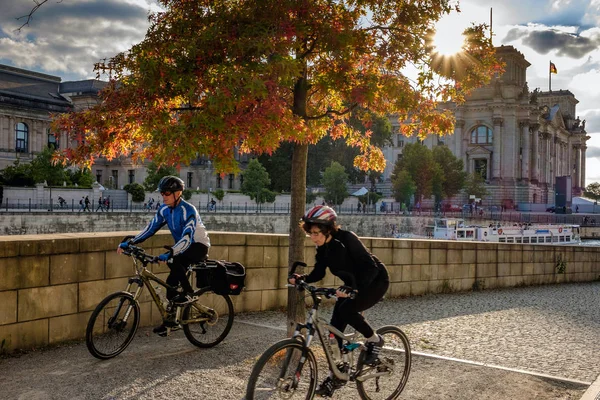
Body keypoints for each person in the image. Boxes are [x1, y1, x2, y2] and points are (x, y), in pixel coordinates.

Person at [289, 205, 390, 397]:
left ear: (328, 229)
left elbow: (370, 268)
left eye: (317, 233)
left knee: (347, 311)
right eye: (310, 233)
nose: (313, 237)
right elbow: (319, 272)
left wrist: (354, 288)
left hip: (375, 281)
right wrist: (302, 278)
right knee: (333, 334)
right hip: (352, 285)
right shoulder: (323, 248)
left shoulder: (347, 239)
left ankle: (375, 339)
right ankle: (336, 376)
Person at [117, 176, 211, 336]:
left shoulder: (188, 210)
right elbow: (150, 229)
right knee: (170, 286)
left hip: (198, 246)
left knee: (175, 261)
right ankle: (171, 322)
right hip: (181, 248)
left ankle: (188, 294)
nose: (164, 196)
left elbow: (187, 237)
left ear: (178, 193)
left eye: (167, 193)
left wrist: (171, 253)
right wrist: (131, 242)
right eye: (162, 193)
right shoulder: (164, 210)